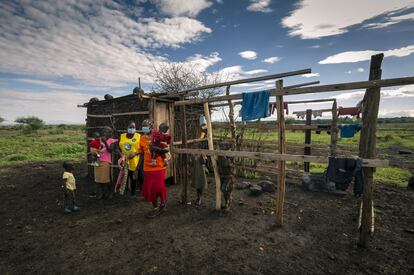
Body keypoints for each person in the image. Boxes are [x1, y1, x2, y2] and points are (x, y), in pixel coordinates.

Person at [140, 120, 168, 218]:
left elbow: (166, 148)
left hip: (159, 166)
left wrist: (166, 158)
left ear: (151, 127)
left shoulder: (158, 135)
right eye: (143, 126)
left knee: (159, 187)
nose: (144, 128)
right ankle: (155, 207)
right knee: (150, 188)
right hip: (147, 168)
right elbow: (141, 152)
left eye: (146, 126)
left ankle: (163, 203)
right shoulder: (142, 138)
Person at [92, 127, 117, 199]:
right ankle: (101, 193)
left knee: (105, 179)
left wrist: (105, 142)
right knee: (98, 179)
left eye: (109, 132)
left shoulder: (112, 141)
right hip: (97, 161)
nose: (108, 133)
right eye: (106, 131)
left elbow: (110, 150)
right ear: (103, 132)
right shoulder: (98, 140)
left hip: (105, 161)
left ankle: (111, 192)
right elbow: (94, 149)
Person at [118, 121, 141, 196]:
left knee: (132, 177)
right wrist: (121, 155)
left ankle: (133, 192)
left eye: (133, 127)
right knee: (124, 176)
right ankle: (122, 191)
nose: (132, 128)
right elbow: (117, 147)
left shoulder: (138, 136)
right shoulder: (122, 136)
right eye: (130, 127)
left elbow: (142, 149)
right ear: (127, 128)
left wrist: (135, 153)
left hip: (134, 160)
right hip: (124, 160)